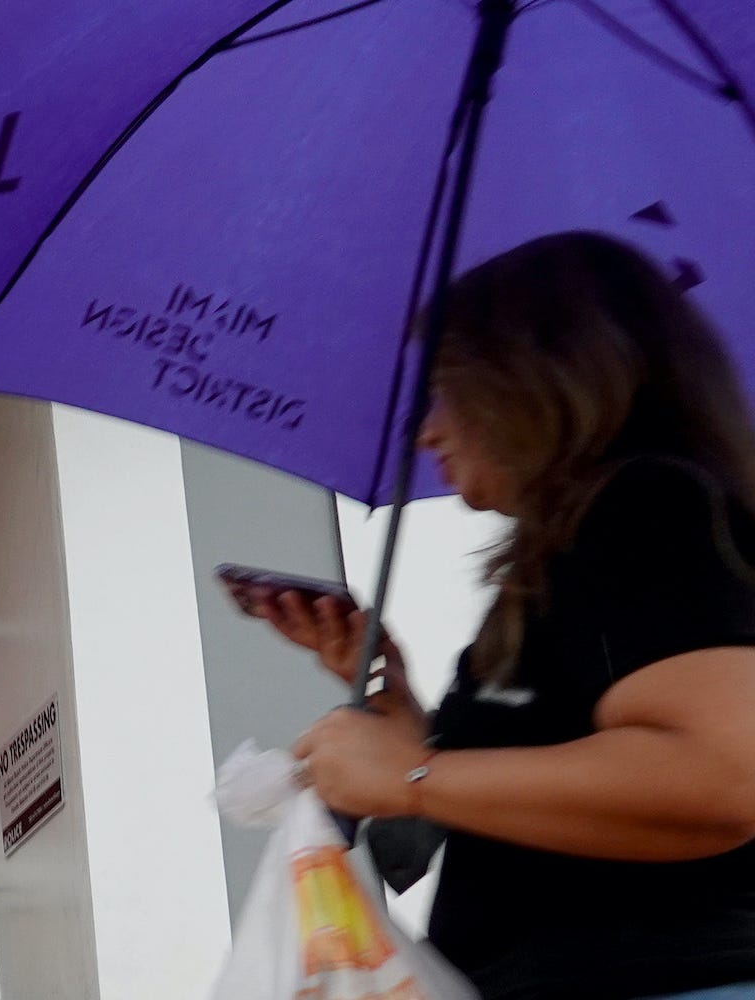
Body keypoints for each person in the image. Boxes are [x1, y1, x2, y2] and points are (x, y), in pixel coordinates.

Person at [253, 231, 755, 1000]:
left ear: (540, 376)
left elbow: (720, 778)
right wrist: (400, 712)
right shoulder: (572, 550)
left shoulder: (652, 508)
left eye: (448, 389)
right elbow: (547, 797)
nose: (426, 431)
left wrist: (415, 775)